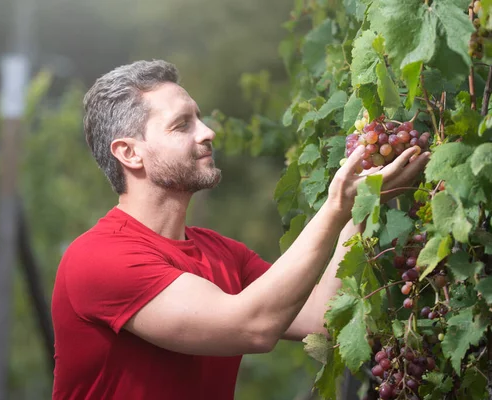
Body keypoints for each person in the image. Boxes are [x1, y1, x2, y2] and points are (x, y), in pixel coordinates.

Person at [50, 60, 430, 400]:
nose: (208, 132)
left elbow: (321, 316)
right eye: (182, 125)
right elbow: (253, 327)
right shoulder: (98, 258)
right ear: (130, 153)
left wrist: (360, 208)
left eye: (199, 118)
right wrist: (335, 206)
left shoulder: (222, 252)